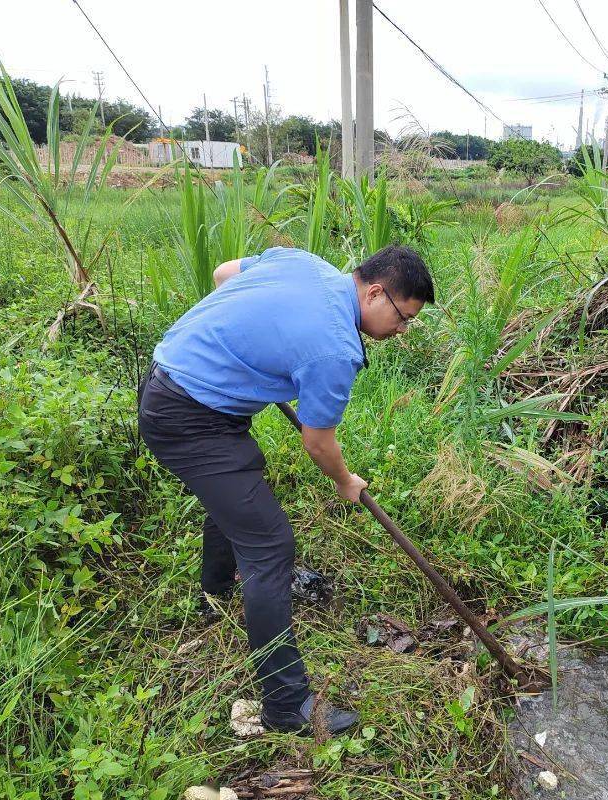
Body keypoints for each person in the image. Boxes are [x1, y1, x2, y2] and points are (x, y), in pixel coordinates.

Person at [137, 244, 434, 733]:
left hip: (169, 379)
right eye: (403, 319)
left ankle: (214, 596)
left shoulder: (304, 263)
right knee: (271, 545)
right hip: (188, 418)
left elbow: (222, 274)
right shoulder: (336, 348)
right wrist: (345, 481)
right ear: (376, 293)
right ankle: (285, 707)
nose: (401, 331)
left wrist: (247, 342)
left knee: (235, 496)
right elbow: (318, 443)